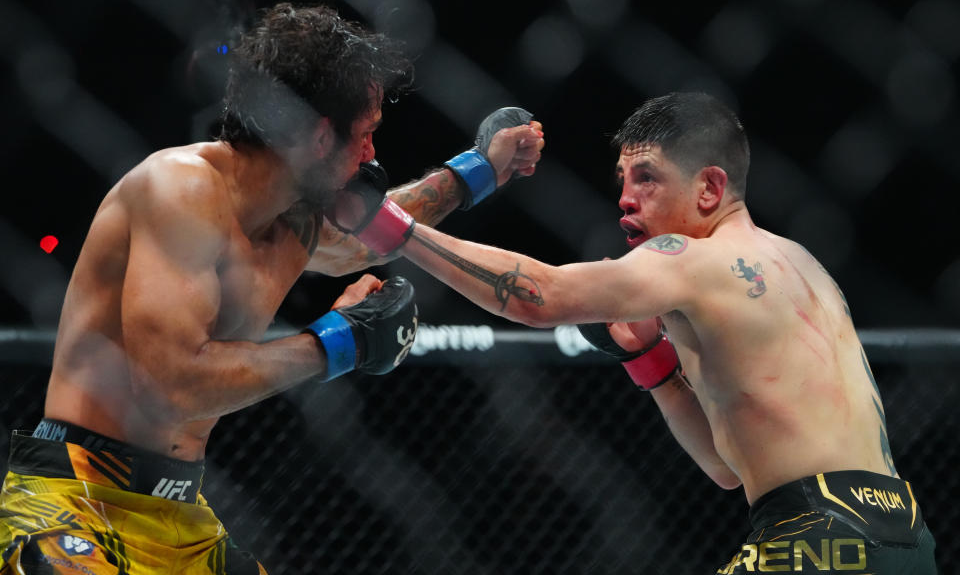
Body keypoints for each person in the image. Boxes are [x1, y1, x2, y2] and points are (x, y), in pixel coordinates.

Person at [0, 2, 544, 574]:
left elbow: (368, 240)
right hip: (75, 500)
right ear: (317, 137)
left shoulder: (297, 219)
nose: (371, 155)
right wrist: (339, 343)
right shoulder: (179, 190)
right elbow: (169, 385)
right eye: (365, 135)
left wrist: (480, 169)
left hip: (179, 515)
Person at [333, 91, 938, 573]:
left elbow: (541, 296)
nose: (625, 199)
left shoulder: (692, 259)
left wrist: (387, 225)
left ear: (709, 187)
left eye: (646, 177)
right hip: (903, 532)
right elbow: (729, 468)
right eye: (622, 180)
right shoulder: (807, 267)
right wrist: (650, 359)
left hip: (816, 535)